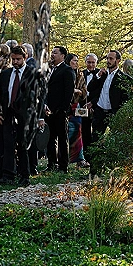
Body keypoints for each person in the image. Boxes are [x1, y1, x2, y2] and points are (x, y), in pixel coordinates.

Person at [0, 45, 35, 185]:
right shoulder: (5, 74)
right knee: (8, 144)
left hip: (25, 115)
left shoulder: (32, 74)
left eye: (18, 59)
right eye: (13, 59)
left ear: (25, 58)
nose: (15, 62)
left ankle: (25, 175)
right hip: (8, 113)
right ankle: (8, 175)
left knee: (23, 145)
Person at [44, 45, 75, 173]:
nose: (52, 55)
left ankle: (63, 166)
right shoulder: (50, 70)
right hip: (49, 110)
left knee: (62, 138)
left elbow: (69, 92)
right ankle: (51, 163)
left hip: (60, 111)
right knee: (50, 138)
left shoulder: (67, 70)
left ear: (62, 55)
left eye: (55, 53)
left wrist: (63, 109)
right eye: (52, 52)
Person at [88, 50, 130, 141]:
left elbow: (125, 98)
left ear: (118, 61)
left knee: (115, 139)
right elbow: (90, 88)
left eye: (111, 59)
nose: (108, 61)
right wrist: (97, 76)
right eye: (107, 58)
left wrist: (119, 112)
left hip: (113, 112)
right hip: (99, 111)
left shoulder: (123, 78)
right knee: (95, 139)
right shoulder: (102, 74)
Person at [65, 53, 87, 167]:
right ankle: (64, 159)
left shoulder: (79, 74)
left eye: (77, 61)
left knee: (77, 133)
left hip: (75, 106)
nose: (76, 63)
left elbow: (84, 91)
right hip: (64, 106)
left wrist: (78, 91)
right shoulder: (63, 72)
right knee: (64, 133)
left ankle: (79, 159)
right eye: (74, 60)